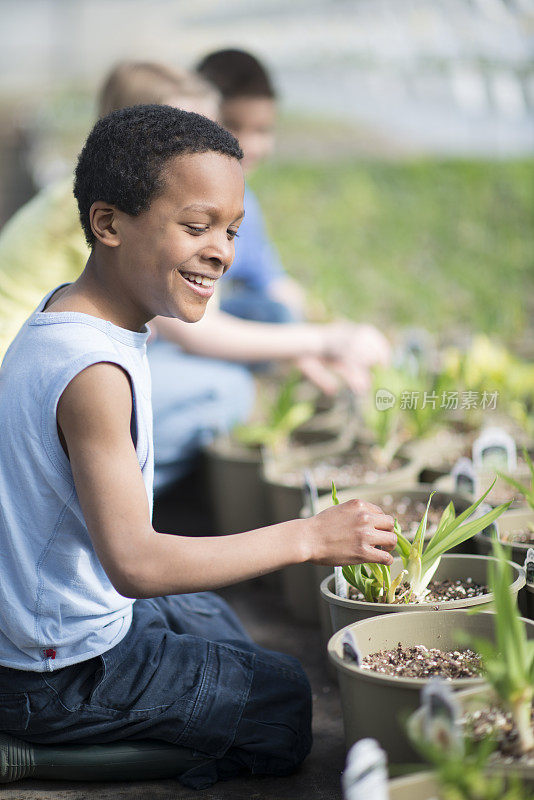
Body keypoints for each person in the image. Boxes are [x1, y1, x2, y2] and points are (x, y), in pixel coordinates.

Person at [0, 105, 397, 789]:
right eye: (196, 226)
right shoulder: (94, 374)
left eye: (232, 230)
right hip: (53, 672)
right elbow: (135, 564)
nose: (222, 250)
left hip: (52, 626)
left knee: (217, 622)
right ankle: (33, 756)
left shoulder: (76, 315)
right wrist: (308, 537)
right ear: (108, 223)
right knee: (282, 706)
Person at [196, 47, 304, 324]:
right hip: (181, 328)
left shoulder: (246, 204)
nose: (247, 145)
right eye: (232, 125)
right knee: (275, 317)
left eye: (261, 130)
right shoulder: (182, 204)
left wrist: (328, 330)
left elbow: (273, 283)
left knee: (281, 312)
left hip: (212, 322)